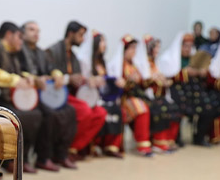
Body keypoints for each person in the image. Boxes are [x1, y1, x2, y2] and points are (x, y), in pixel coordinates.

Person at [0, 22, 44, 174]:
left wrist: (28, 78)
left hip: (9, 100)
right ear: (9, 35)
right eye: (19, 37)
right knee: (19, 117)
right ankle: (7, 160)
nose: (21, 42)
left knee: (35, 114)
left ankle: (20, 159)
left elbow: (20, 72)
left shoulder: (13, 53)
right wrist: (14, 80)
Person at [20, 21, 78, 169]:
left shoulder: (41, 52)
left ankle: (60, 154)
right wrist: (35, 79)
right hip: (28, 94)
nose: (35, 33)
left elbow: (52, 69)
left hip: (45, 93)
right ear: (22, 33)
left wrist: (57, 75)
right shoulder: (19, 51)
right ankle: (43, 157)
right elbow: (18, 72)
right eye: (31, 30)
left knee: (70, 111)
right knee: (48, 115)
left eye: (38, 30)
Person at [46, 21, 107, 160]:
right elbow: (49, 76)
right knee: (84, 110)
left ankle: (74, 148)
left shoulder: (72, 55)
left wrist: (85, 80)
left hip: (71, 94)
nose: (83, 39)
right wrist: (69, 78)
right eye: (80, 35)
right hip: (57, 94)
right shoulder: (53, 51)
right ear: (70, 33)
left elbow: (78, 79)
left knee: (100, 113)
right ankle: (65, 150)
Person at [158, 33, 217, 146]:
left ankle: (199, 137)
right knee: (178, 106)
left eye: (190, 46)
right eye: (185, 46)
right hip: (176, 88)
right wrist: (185, 72)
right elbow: (167, 75)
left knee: (208, 107)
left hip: (193, 88)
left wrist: (202, 72)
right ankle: (176, 137)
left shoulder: (193, 58)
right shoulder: (168, 58)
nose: (188, 49)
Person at [107, 35, 159, 156]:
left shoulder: (135, 65)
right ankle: (143, 145)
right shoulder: (117, 65)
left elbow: (142, 84)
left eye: (135, 48)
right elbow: (116, 85)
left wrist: (151, 80)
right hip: (123, 98)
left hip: (137, 96)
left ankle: (154, 141)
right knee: (141, 108)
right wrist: (129, 81)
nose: (134, 51)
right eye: (131, 48)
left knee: (154, 106)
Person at [80, 30, 125, 158]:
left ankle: (111, 146)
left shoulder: (102, 62)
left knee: (116, 109)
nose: (104, 44)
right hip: (90, 96)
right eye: (102, 41)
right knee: (102, 110)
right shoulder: (86, 61)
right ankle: (94, 145)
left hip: (103, 96)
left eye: (105, 41)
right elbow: (85, 80)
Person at [143, 35, 181, 150]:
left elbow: (160, 78)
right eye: (156, 47)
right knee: (161, 109)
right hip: (147, 95)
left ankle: (169, 139)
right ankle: (158, 141)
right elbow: (146, 81)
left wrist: (163, 80)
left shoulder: (155, 62)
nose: (157, 50)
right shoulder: (143, 62)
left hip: (159, 94)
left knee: (175, 108)